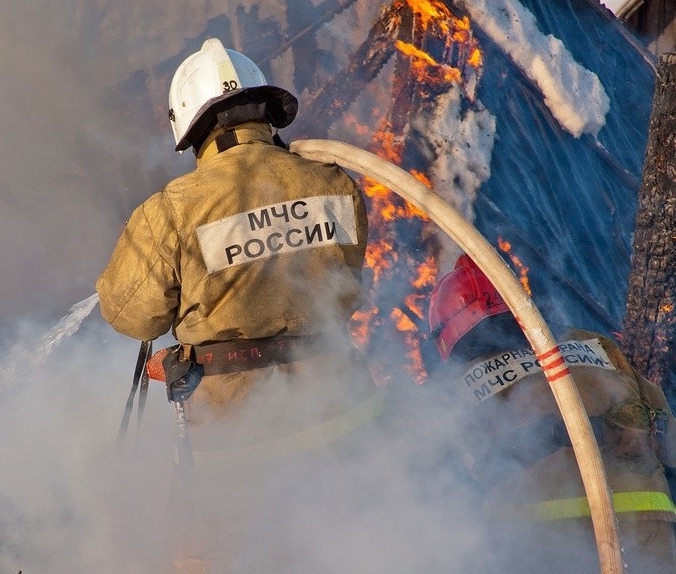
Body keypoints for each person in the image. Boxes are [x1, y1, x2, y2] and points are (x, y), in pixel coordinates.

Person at [96, 38, 383, 574]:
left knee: (209, 557)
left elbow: (130, 314)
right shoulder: (332, 181)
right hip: (346, 418)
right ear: (264, 112)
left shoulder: (172, 210)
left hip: (240, 440)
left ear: (191, 127)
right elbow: (336, 280)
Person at [425, 253, 676, 574]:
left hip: (539, 542)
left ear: (448, 334)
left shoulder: (451, 389)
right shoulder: (594, 343)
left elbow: (435, 488)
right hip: (646, 531)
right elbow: (667, 439)